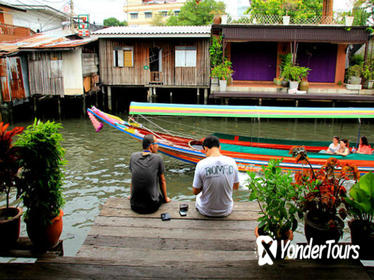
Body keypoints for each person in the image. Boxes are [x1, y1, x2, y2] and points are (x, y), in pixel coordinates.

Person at [192, 135, 239, 217]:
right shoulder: (232, 162)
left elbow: (195, 191)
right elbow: (236, 187)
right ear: (219, 147)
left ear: (206, 148)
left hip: (206, 211)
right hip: (226, 210)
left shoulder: (201, 164)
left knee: (199, 196)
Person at [129, 134, 171, 214]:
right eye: (157, 143)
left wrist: (131, 195)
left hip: (134, 205)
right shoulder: (158, 158)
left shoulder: (133, 156)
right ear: (151, 146)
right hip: (152, 207)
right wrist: (165, 198)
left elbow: (133, 178)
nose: (158, 146)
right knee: (159, 196)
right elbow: (162, 180)